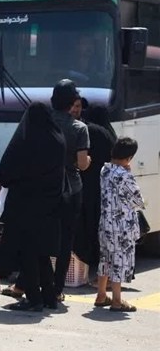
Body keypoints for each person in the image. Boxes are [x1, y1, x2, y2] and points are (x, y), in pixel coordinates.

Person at [0, 102, 65, 311]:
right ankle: (49, 297)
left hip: (25, 207)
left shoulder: (26, 141)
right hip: (50, 207)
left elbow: (5, 173)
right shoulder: (58, 139)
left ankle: (34, 299)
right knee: (42, 253)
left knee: (26, 253)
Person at [50, 79, 90, 301]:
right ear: (72, 102)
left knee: (41, 236)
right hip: (71, 188)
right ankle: (57, 289)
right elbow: (82, 164)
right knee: (66, 240)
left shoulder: (42, 122)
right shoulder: (79, 128)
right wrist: (88, 160)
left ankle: (30, 283)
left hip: (45, 187)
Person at [95, 137, 146, 312]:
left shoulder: (105, 169)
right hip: (122, 226)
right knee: (119, 261)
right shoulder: (124, 175)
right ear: (129, 157)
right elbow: (138, 200)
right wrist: (129, 173)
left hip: (105, 223)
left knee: (105, 258)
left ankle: (101, 295)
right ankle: (117, 300)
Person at [74, 105, 117, 281]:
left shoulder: (89, 130)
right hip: (104, 185)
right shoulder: (109, 133)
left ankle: (86, 256)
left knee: (86, 221)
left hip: (88, 183)